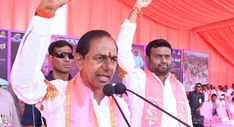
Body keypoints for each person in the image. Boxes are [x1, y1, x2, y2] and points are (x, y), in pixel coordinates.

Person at [11, 0, 130, 126]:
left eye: (113, 60)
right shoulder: (59, 95)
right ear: (79, 60)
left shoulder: (119, 105)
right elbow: (25, 84)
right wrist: (45, 15)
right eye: (99, 58)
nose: (108, 67)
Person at [116, 0, 192, 126]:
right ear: (146, 59)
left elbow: (187, 118)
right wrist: (137, 8)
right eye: (158, 56)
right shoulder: (137, 78)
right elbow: (122, 49)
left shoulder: (178, 86)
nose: (163, 60)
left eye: (167, 56)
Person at [21, 40, 74, 127]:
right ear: (50, 58)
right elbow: (29, 123)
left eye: (70, 56)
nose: (67, 59)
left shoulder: (80, 87)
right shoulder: (39, 88)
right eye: (61, 55)